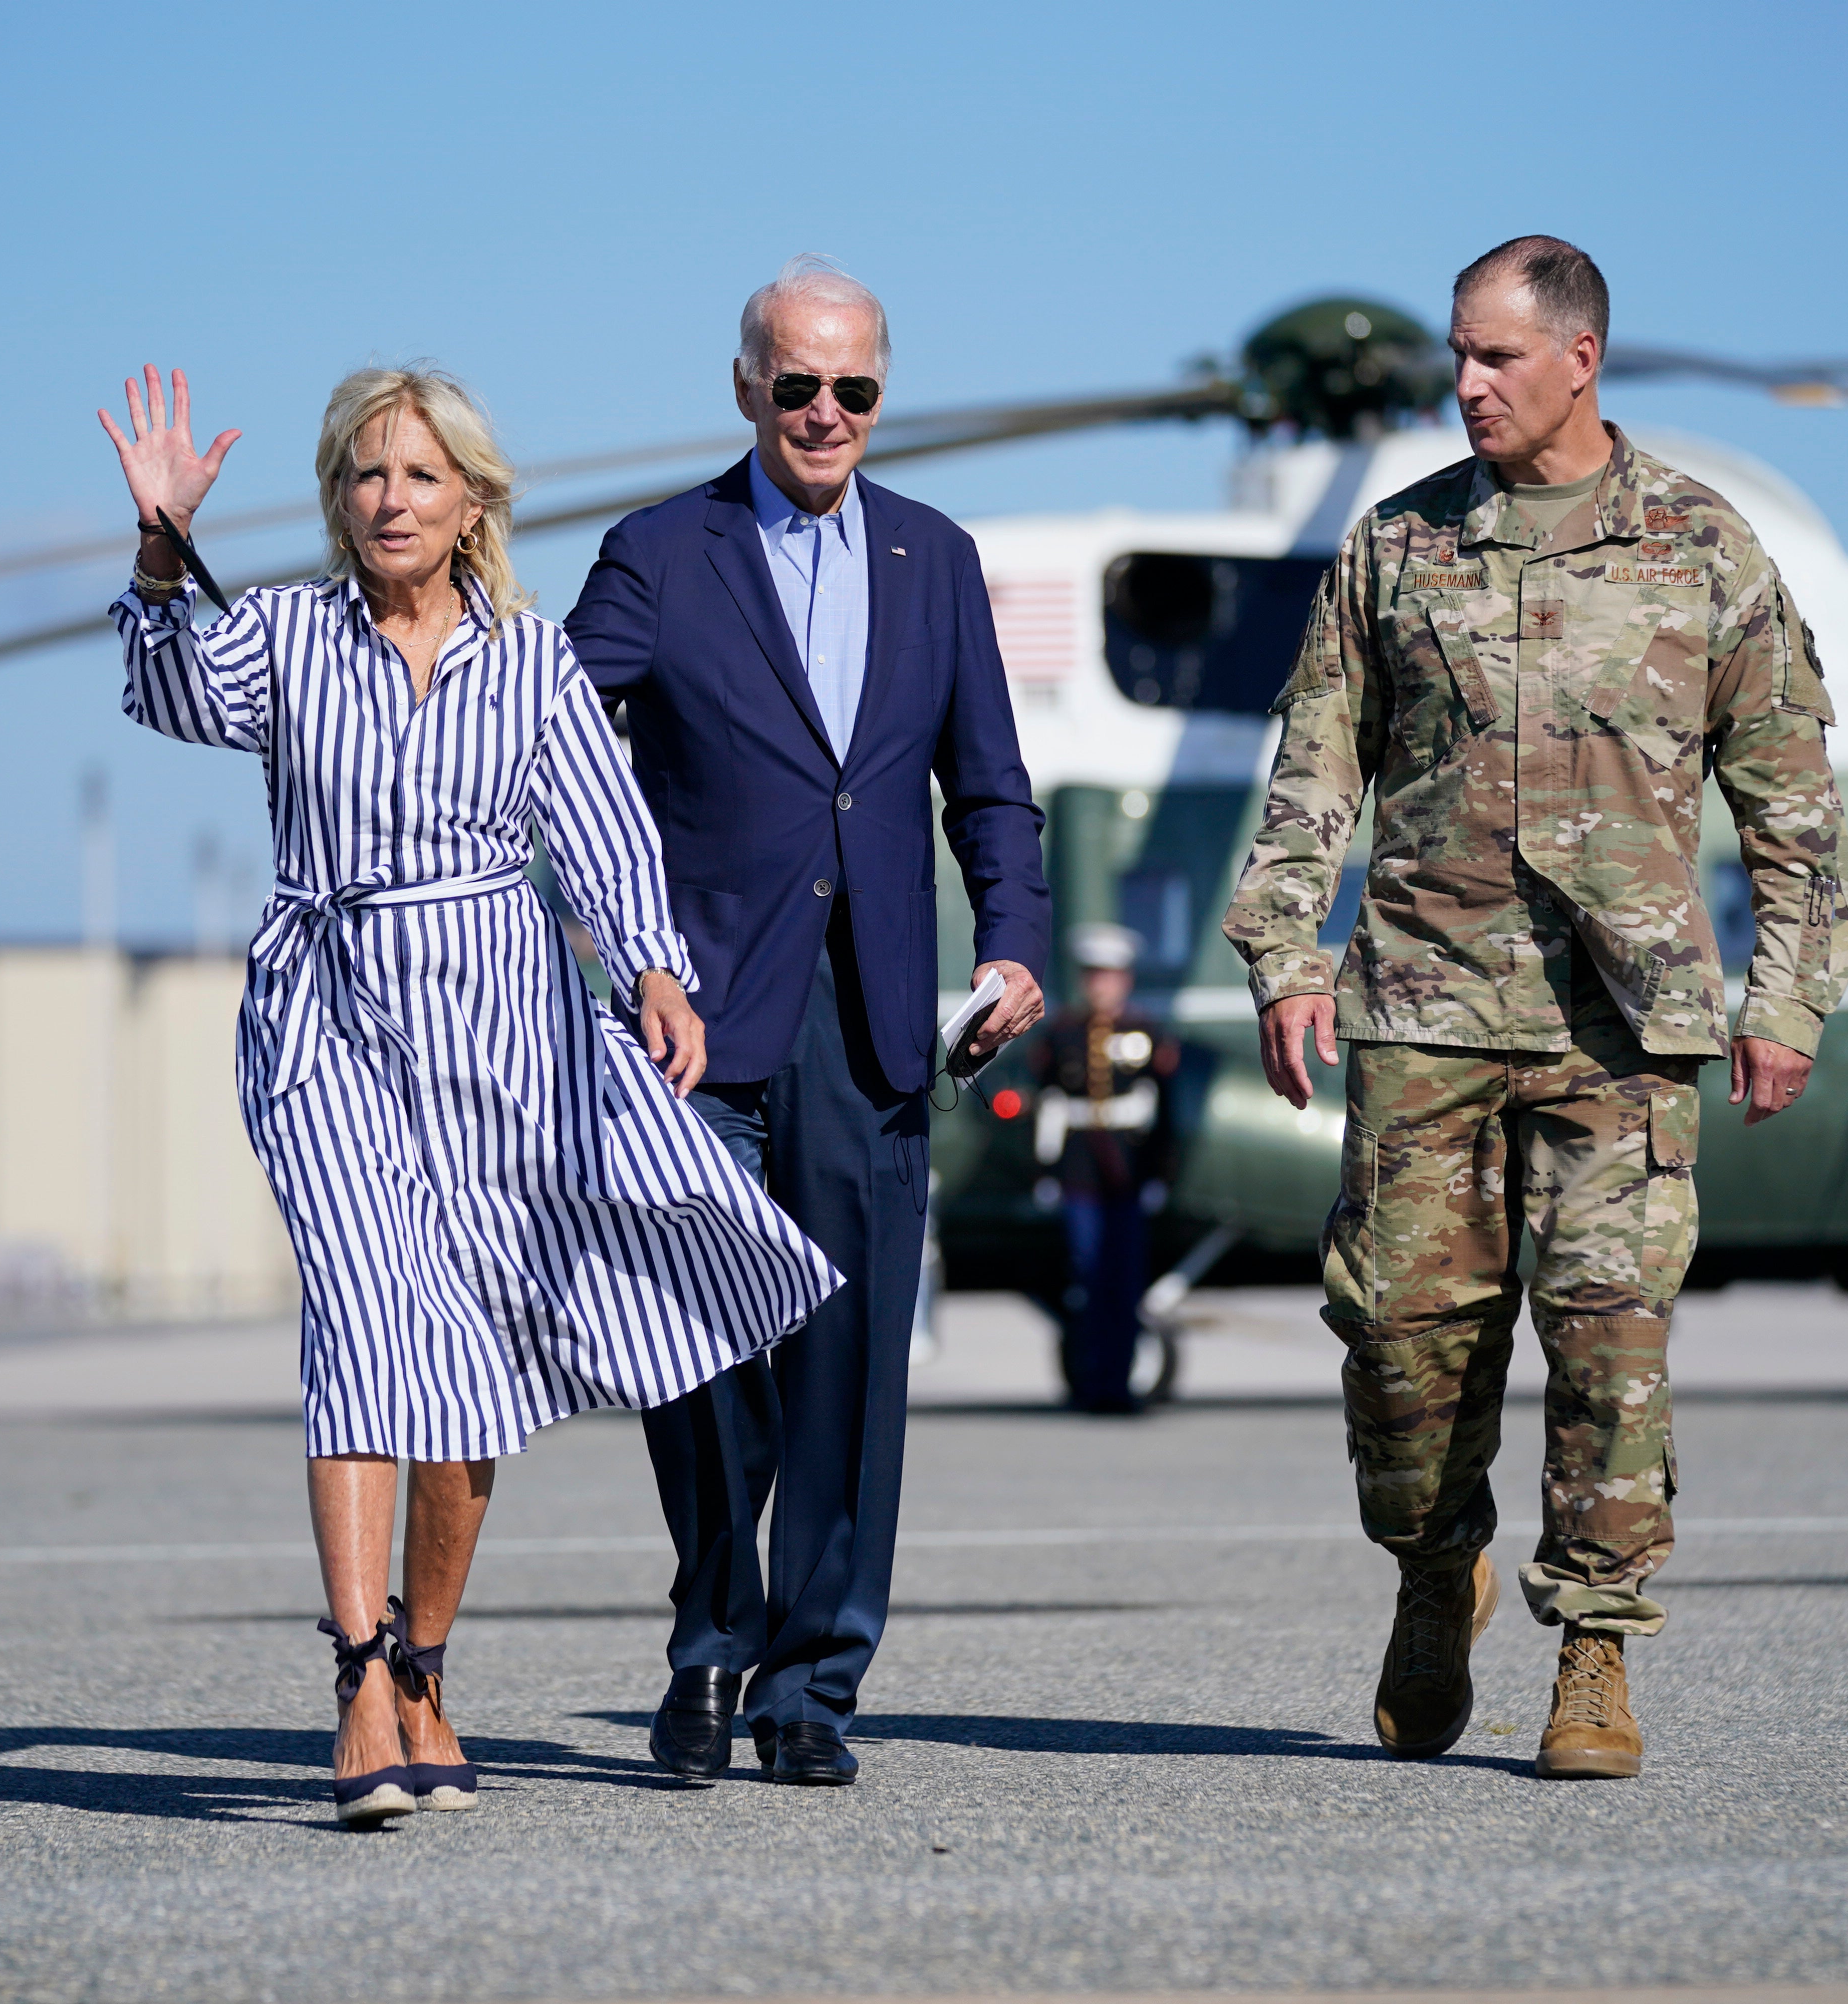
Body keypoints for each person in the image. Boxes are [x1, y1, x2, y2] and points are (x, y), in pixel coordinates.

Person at [99, 363, 841, 1826]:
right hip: (327, 1019)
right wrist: (156, 545)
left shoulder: (533, 659)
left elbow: (604, 832)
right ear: (336, 499)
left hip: (502, 1025)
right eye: (368, 475)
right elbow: (168, 684)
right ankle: (359, 1673)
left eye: (421, 476)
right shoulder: (286, 637)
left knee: (467, 1366)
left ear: (471, 504)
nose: (392, 499)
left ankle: (428, 1661)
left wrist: (654, 973)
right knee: (363, 1317)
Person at [1222, 237, 1848, 1781]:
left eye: (1495, 357)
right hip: (1423, 1012)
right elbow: (1313, 772)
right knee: (1400, 1346)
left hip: (1618, 1032)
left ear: (1578, 358)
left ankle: (1592, 1652)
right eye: (1455, 354)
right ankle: (1433, 1571)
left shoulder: (1702, 554)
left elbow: (1790, 808)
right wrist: (1284, 957)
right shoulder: (1392, 548)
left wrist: (1786, 999)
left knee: (1606, 1343)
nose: (1464, 384)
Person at [565, 256, 1050, 1786]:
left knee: (848, 1370)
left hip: (876, 1034)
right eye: (796, 386)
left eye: (853, 389)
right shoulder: (656, 553)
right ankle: (710, 1645)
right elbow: (546, 752)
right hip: (695, 1027)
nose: (824, 412)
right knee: (696, 1354)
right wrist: (612, 941)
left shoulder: (935, 557)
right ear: (744, 389)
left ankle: (810, 1689)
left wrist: (1016, 945)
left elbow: (988, 789)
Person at [1026, 922, 1182, 1414]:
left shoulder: (1148, 1034)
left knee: (1124, 1279)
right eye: (1094, 976)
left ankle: (1119, 1381)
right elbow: (1046, 1106)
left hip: (1129, 1171)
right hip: (1079, 1173)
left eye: (1110, 976)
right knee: (1087, 1278)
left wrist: (1160, 1175)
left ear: (1126, 980)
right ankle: (1092, 1382)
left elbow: (1165, 1112)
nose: (1102, 986)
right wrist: (1045, 1173)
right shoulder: (1063, 1033)